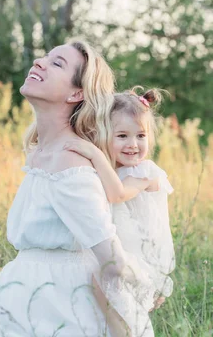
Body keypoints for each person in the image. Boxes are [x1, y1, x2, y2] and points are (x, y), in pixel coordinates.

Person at [0, 40, 154, 337]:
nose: (39, 62)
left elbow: (111, 258)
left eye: (57, 63)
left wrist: (143, 287)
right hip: (23, 297)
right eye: (45, 57)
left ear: (77, 93)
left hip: (60, 307)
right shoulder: (40, 152)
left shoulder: (70, 164)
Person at [63, 87, 175, 313]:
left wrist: (94, 154)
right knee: (103, 306)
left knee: (122, 311)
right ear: (103, 134)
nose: (133, 144)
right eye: (123, 136)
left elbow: (118, 194)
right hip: (114, 253)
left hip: (140, 259)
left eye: (141, 136)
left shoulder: (144, 172)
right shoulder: (109, 170)